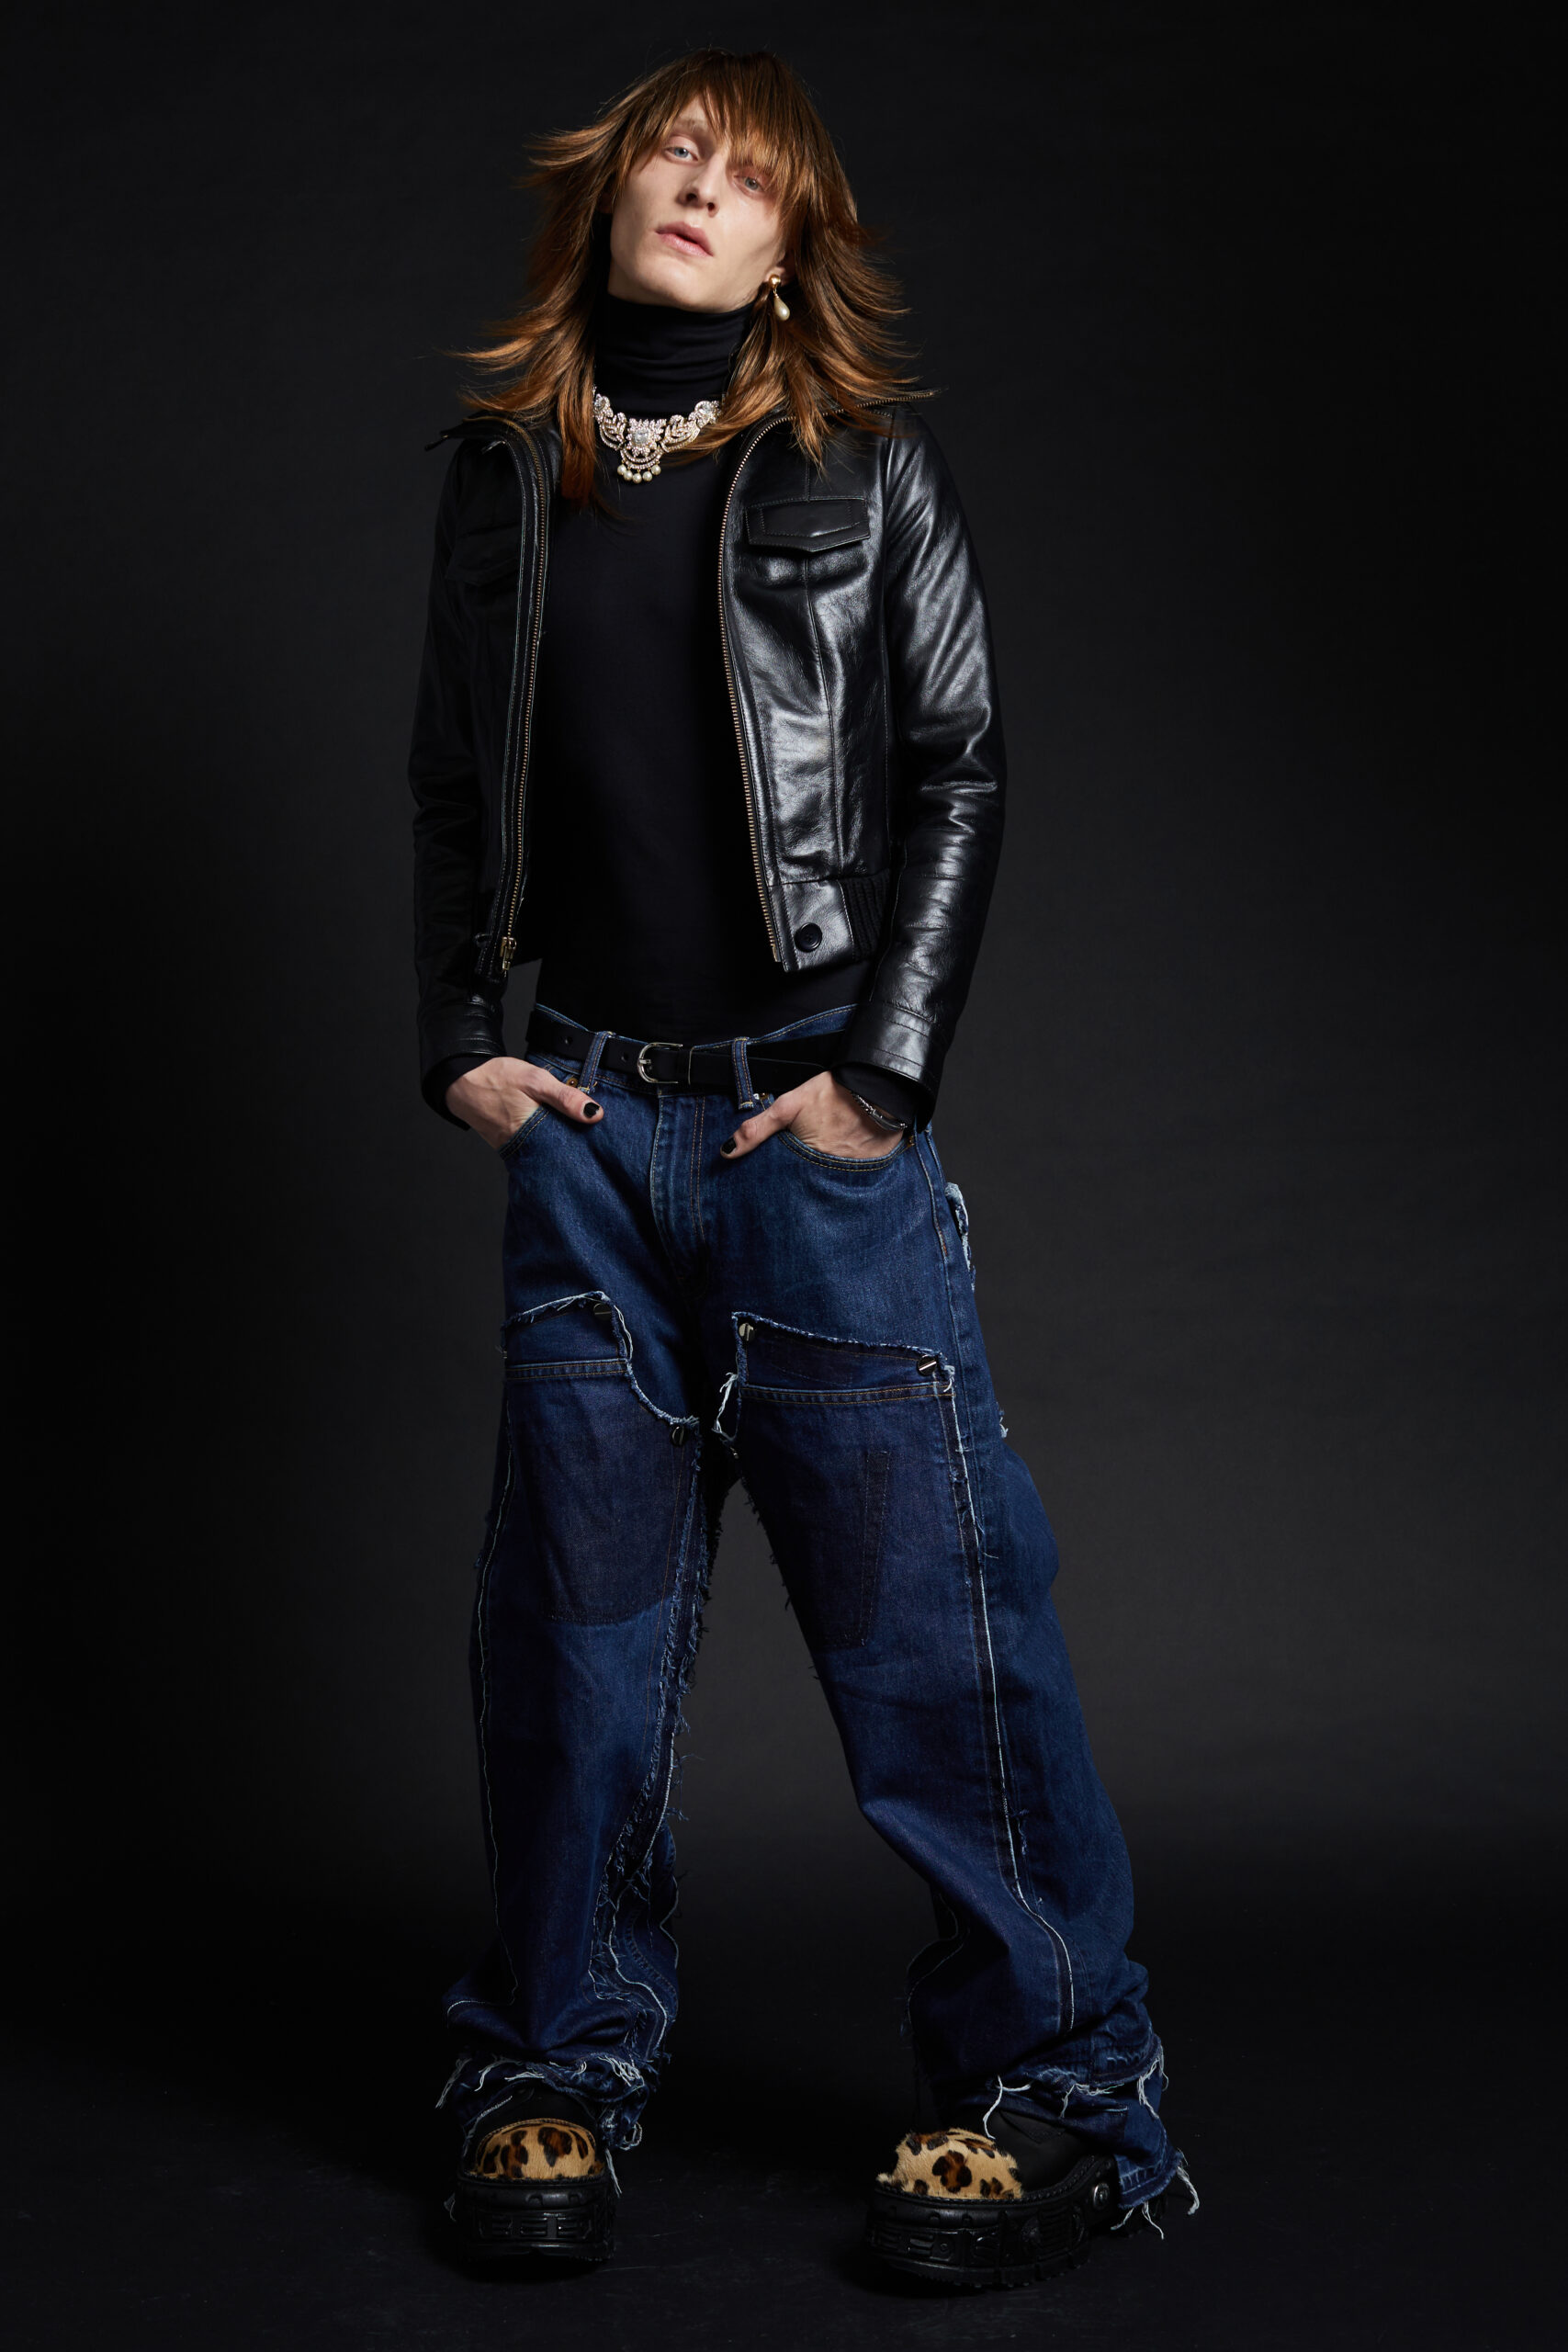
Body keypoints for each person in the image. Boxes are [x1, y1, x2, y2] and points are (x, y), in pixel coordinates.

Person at [410, 46, 1194, 2291]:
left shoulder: (864, 468)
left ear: (786, 254)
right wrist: (458, 1041)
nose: (693, 184)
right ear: (607, 194)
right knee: (569, 1655)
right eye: (667, 150)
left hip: (802, 1136)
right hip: (583, 1129)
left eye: (740, 175)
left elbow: (958, 759)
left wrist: (882, 1074)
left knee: (935, 1645)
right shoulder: (505, 471)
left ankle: (1064, 2090)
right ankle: (550, 2062)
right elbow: (447, 785)